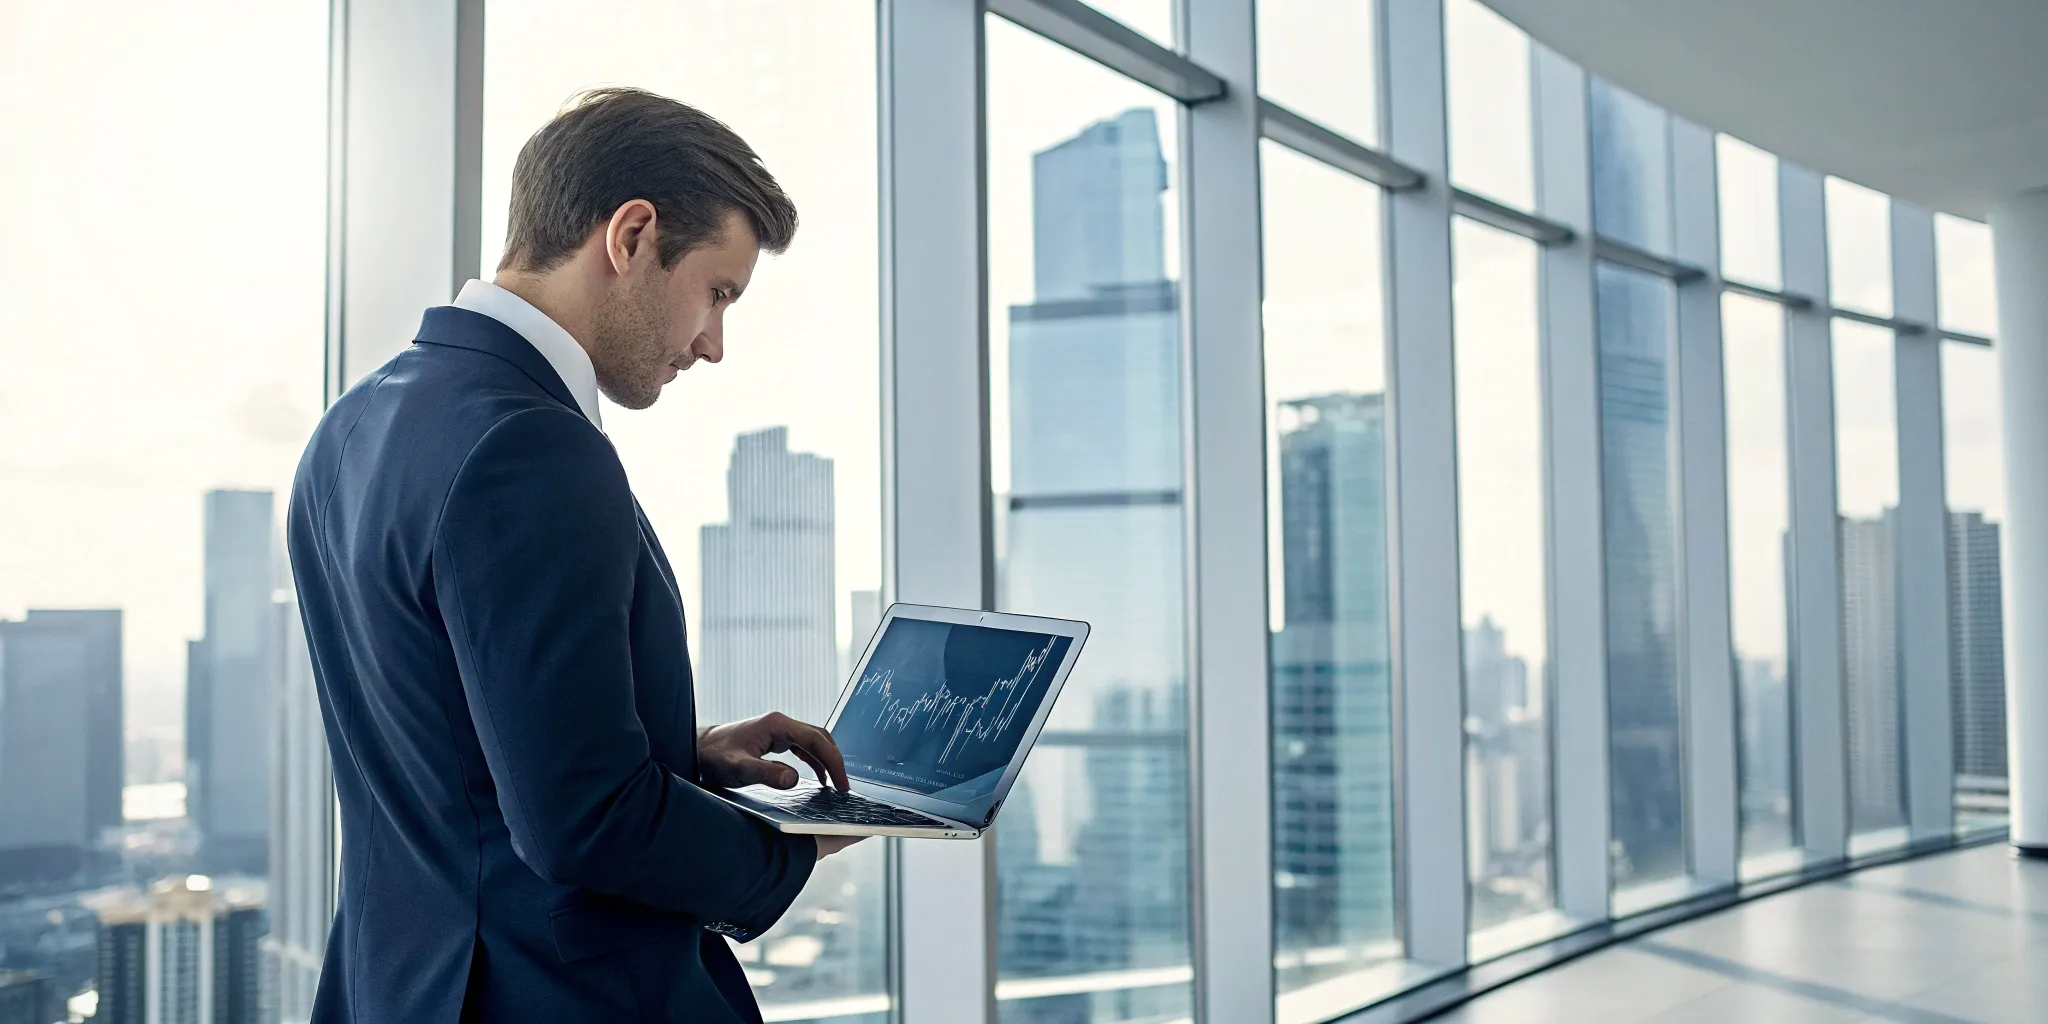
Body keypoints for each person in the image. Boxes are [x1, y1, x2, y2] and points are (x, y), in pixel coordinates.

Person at [287, 86, 861, 1024]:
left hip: (395, 987)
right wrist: (792, 850)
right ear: (631, 236)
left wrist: (680, 750)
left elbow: (454, 753)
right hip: (554, 995)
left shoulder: (352, 426)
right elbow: (581, 823)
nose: (713, 344)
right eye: (717, 292)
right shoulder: (531, 446)